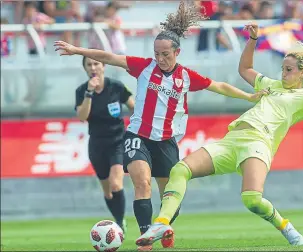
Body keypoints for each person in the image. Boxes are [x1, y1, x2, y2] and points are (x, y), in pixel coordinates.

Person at [135, 22, 303, 247]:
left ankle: (285, 225)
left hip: (257, 145)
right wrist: (252, 39)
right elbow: (244, 70)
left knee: (251, 199)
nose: (284, 73)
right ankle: (161, 224)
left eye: (289, 70)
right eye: (283, 69)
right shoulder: (271, 85)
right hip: (231, 141)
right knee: (180, 170)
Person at [54, 2, 267, 250]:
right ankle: (146, 239)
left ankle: (163, 226)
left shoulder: (187, 77)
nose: (160, 59)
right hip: (137, 135)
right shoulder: (143, 67)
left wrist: (249, 97)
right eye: (157, 53)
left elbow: (218, 86)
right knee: (141, 183)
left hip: (166, 141)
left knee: (170, 198)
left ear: (177, 52)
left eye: (165, 54)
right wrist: (77, 49)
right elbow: (109, 57)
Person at [75, 56, 135, 234]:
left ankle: (118, 223)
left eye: (96, 64)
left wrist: (138, 125)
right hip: (97, 144)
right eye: (89, 64)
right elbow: (82, 116)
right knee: (108, 191)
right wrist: (89, 93)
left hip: (118, 141)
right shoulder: (81, 91)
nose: (93, 67)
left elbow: (133, 105)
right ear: (85, 68)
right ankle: (119, 218)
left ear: (103, 66)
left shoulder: (115, 86)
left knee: (117, 184)